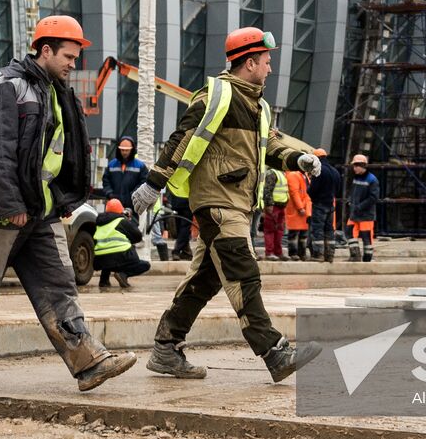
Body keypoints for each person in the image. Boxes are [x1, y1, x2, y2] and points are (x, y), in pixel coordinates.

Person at [0, 15, 135, 393]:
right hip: (4, 214)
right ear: (45, 50)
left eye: (76, 57)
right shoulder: (7, 89)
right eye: (68, 56)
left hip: (42, 213)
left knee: (59, 287)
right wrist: (10, 202)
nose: (72, 64)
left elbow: (59, 154)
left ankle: (88, 362)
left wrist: (63, 199)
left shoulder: (54, 91)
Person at [130, 27, 321, 382]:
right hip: (218, 201)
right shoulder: (218, 96)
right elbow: (183, 139)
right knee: (243, 272)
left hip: (236, 203)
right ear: (249, 62)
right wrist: (154, 184)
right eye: (266, 62)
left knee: (205, 280)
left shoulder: (257, 106)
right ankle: (274, 352)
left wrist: (299, 159)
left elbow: (271, 146)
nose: (270, 69)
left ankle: (165, 348)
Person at [93, 200, 150, 291]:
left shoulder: (99, 222)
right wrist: (129, 220)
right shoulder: (122, 221)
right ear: (121, 210)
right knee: (145, 265)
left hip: (99, 260)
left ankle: (104, 281)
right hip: (122, 256)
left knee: (107, 254)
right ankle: (124, 274)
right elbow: (137, 236)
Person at [307, 148, 340, 262]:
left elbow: (313, 189)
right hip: (330, 205)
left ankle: (318, 254)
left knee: (318, 230)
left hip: (319, 205)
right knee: (329, 230)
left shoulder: (319, 170)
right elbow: (338, 189)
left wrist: (311, 194)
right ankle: (329, 255)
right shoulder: (335, 171)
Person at [348, 154, 382, 262]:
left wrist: (360, 206)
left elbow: (373, 198)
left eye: (356, 166)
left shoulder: (372, 180)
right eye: (354, 166)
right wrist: (350, 200)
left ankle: (367, 259)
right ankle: (355, 256)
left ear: (362, 166)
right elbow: (354, 192)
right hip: (355, 213)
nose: (354, 168)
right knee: (350, 232)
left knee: (366, 237)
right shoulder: (356, 177)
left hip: (366, 215)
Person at [260, 168, 288, 260]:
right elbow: (267, 190)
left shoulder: (280, 173)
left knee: (279, 230)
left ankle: (277, 252)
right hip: (273, 206)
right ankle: (269, 253)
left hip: (280, 206)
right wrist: (268, 205)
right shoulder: (272, 173)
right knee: (270, 230)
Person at [285, 167, 312, 260]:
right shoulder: (294, 175)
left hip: (304, 208)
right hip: (297, 209)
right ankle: (293, 253)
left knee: (303, 234)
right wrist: (300, 207)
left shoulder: (303, 175)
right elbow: (294, 193)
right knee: (294, 233)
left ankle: (302, 253)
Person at [166, 188, 194, 260]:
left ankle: (186, 252)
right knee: (185, 228)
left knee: (180, 227)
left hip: (176, 200)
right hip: (187, 200)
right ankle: (176, 251)